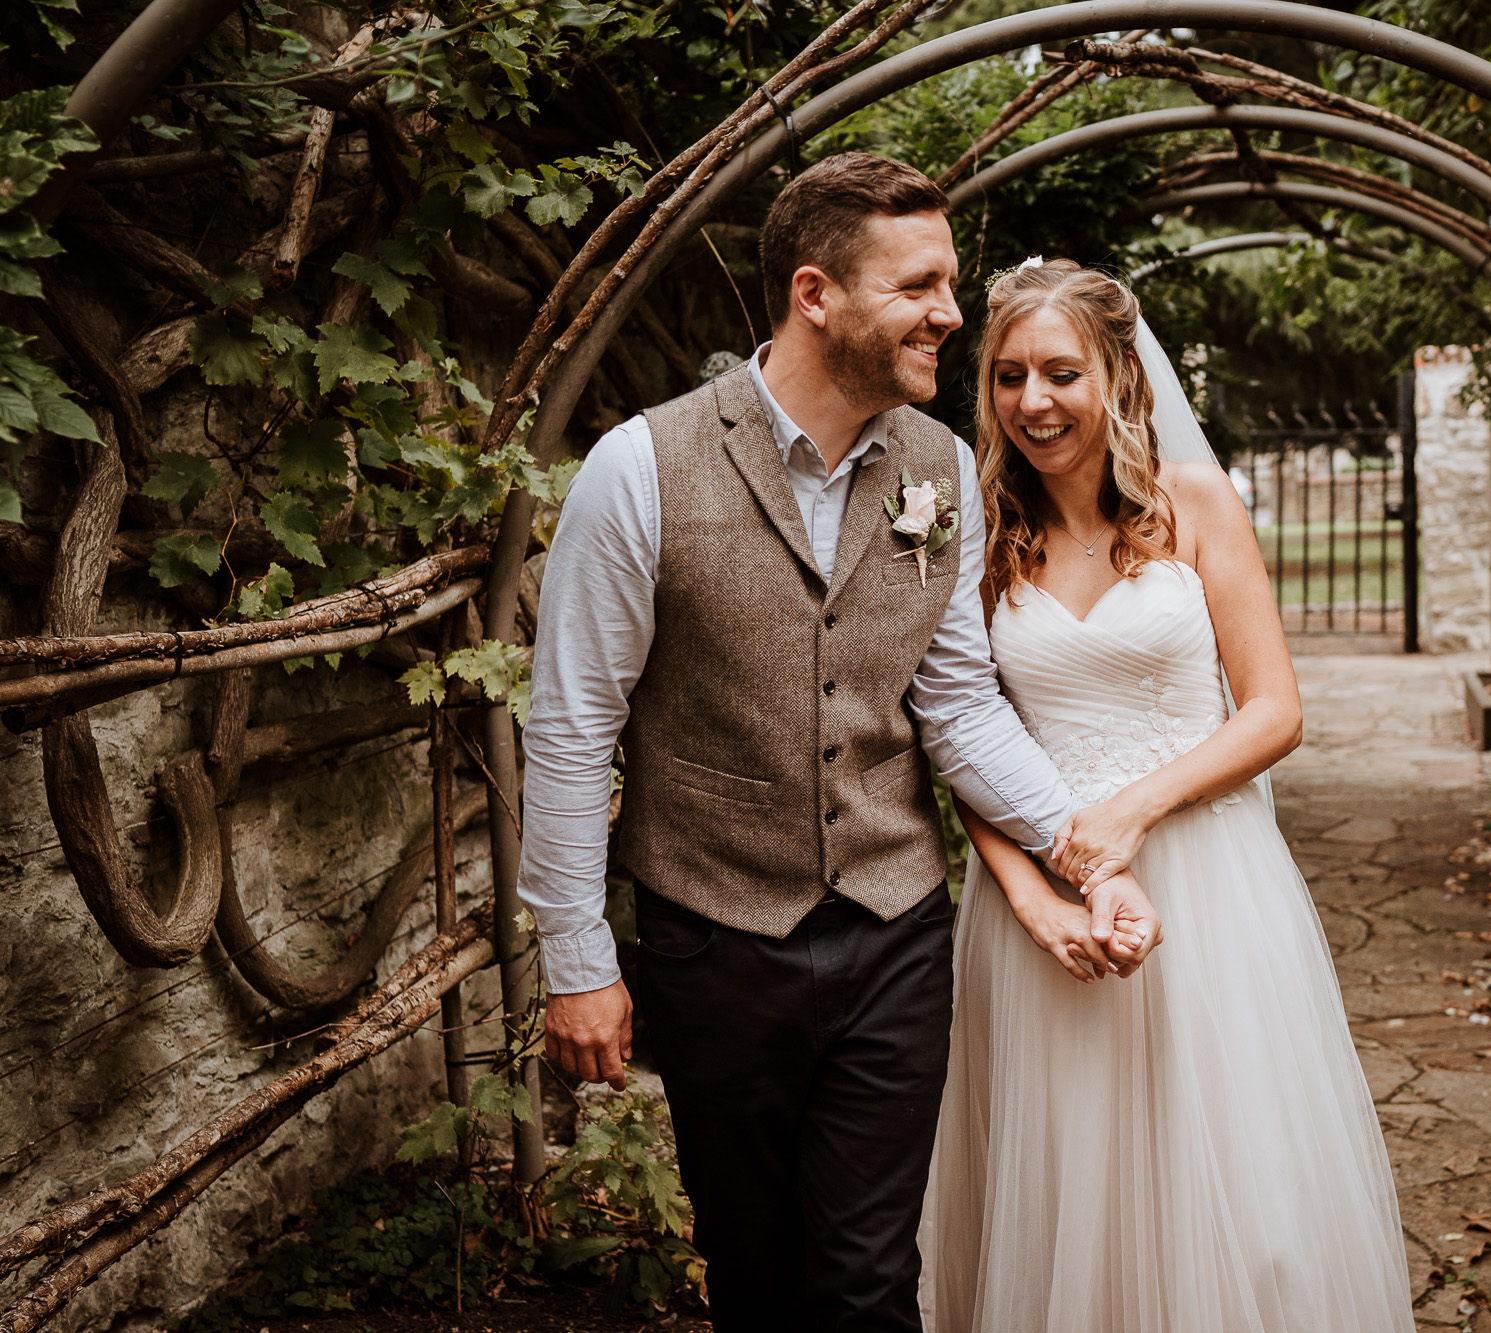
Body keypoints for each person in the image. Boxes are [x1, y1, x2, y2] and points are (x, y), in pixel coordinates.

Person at [516, 157, 1162, 1333]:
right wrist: (576, 957)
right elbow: (570, 727)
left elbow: (957, 707)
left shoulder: (943, 472)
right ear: (815, 295)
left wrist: (1085, 852)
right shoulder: (637, 468)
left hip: (893, 934)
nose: (951, 315)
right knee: (755, 1278)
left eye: (950, 282)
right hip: (712, 941)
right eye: (919, 286)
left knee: (869, 1283)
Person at [919, 259, 1418, 1332]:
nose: (1032, 401)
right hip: (1038, 905)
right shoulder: (980, 532)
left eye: (1061, 371)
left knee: (1241, 1199)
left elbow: (1272, 710)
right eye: (1007, 376)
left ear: (1116, 375)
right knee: (1055, 1182)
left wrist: (1130, 815)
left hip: (1207, 883)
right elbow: (962, 735)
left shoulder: (1190, 503)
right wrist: (1029, 895)